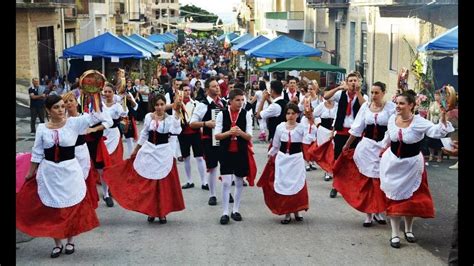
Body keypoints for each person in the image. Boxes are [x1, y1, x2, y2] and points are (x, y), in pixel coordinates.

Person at [16, 95, 108, 258]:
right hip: (50, 172)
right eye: (56, 107)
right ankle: (57, 244)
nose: (60, 109)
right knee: (53, 210)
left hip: (70, 171)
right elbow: (37, 153)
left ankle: (70, 241)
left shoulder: (74, 123)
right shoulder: (42, 129)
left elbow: (98, 117)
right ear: (48, 110)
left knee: (70, 208)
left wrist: (93, 96)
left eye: (62, 106)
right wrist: (30, 174)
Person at [378, 90, 454, 248]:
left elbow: (436, 132)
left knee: (411, 199)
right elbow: (388, 135)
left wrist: (443, 118)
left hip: (411, 165)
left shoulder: (419, 122)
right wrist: (381, 147)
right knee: (393, 198)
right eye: (397, 103)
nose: (398, 106)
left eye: (402, 103)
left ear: (411, 105)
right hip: (392, 163)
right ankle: (394, 234)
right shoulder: (392, 118)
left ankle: (409, 229)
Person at [102, 94, 185, 224]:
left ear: (165, 105)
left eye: (162, 104)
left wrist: (177, 113)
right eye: (157, 105)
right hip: (150, 150)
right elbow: (144, 134)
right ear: (153, 106)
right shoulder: (148, 117)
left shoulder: (170, 119)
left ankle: (162, 213)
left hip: (164, 152)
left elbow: (176, 131)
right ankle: (151, 211)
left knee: (162, 185)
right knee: (149, 184)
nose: (159, 107)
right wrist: (135, 150)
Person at [333, 81, 395, 227]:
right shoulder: (365, 107)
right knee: (367, 181)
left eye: (377, 93)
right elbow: (357, 128)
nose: (373, 96)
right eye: (372, 92)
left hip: (382, 147)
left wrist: (386, 146)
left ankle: (379, 211)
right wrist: (347, 145)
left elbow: (393, 129)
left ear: (383, 93)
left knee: (380, 181)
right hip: (367, 147)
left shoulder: (391, 108)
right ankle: (368, 214)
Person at [257, 103, 316, 224]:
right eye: (288, 113)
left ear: (297, 115)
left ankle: (297, 211)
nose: (290, 116)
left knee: (296, 184)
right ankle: (287, 213)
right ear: (285, 115)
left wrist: (311, 121)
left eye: (293, 113)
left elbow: (309, 138)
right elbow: (276, 144)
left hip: (296, 159)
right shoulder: (280, 127)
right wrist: (271, 155)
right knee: (284, 185)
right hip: (283, 159)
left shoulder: (301, 127)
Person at [323, 72, 368, 198]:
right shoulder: (341, 94)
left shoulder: (363, 96)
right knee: (338, 159)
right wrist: (338, 87)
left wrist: (358, 92)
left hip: (355, 133)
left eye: (355, 80)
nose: (353, 83)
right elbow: (326, 96)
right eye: (351, 81)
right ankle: (335, 186)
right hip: (341, 131)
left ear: (359, 82)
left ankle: (351, 186)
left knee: (354, 160)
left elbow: (365, 106)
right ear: (347, 83)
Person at [214, 89, 254, 224]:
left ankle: (235, 210)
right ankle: (225, 212)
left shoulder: (246, 114)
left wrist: (240, 133)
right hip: (225, 151)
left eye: (242, 100)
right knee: (226, 182)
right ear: (230, 101)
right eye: (237, 100)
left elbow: (249, 136)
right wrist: (229, 132)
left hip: (240, 151)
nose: (241, 102)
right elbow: (217, 135)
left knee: (238, 181)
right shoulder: (222, 114)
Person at [190, 77, 230, 206]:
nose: (217, 88)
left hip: (224, 139)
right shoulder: (202, 105)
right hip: (210, 140)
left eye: (217, 86)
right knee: (212, 168)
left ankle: (226, 191)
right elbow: (192, 123)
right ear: (207, 89)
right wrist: (206, 123)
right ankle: (212, 194)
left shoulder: (223, 102)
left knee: (226, 167)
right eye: (213, 86)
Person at [99, 84, 128, 207]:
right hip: (102, 135)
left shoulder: (117, 106)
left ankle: (111, 187)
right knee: (102, 165)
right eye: (105, 91)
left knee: (113, 163)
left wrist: (125, 101)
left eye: (109, 91)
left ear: (113, 93)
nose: (106, 94)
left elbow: (124, 113)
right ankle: (105, 194)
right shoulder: (99, 105)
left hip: (114, 135)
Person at [177, 84, 208, 190]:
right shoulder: (177, 105)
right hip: (183, 134)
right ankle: (189, 180)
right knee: (186, 158)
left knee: (199, 157)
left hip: (195, 133)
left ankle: (204, 182)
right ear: (181, 92)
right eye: (185, 90)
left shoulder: (196, 104)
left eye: (189, 90)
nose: (187, 92)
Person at [311, 89, 338, 181]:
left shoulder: (338, 106)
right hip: (323, 131)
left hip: (334, 130)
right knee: (325, 152)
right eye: (327, 95)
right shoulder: (321, 106)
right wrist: (318, 124)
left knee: (333, 151)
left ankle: (333, 169)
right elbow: (313, 115)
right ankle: (327, 171)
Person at [427, 90, 444, 163]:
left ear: (441, 96)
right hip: (431, 124)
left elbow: (444, 113)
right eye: (435, 95)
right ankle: (431, 155)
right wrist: (427, 121)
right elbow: (428, 113)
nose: (436, 96)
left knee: (439, 141)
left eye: (437, 95)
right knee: (430, 140)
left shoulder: (443, 104)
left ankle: (439, 156)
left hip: (439, 124)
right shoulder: (432, 103)